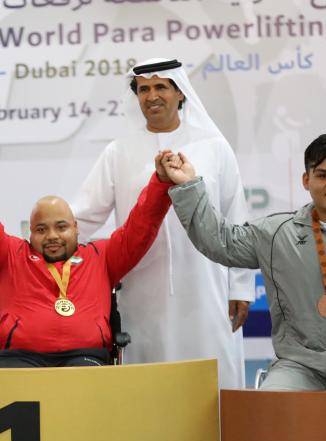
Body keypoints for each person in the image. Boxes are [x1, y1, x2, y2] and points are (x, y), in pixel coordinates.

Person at [71, 57, 254, 388]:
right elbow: (85, 213)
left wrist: (240, 286)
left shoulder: (213, 146)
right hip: (142, 286)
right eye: (143, 89)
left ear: (180, 93)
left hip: (206, 284)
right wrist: (41, 241)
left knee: (211, 383)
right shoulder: (119, 151)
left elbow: (235, 216)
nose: (152, 96)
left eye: (160, 87)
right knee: (147, 386)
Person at [163, 134, 326, 390]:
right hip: (300, 366)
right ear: (306, 180)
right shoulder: (278, 232)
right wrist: (188, 186)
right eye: (323, 175)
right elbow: (221, 242)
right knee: (269, 410)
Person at [0, 130, 173, 367]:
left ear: (76, 228)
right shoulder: (9, 256)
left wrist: (161, 183)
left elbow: (140, 227)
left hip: (85, 358)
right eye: (41, 229)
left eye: (61, 227)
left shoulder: (102, 257)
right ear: (30, 232)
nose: (52, 236)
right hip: (19, 360)